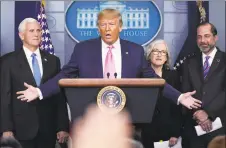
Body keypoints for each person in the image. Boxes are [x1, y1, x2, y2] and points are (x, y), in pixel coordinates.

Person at [16, 9, 201, 111]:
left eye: (111, 24)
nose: (107, 28)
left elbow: (154, 80)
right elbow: (63, 76)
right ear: (97, 28)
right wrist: (39, 92)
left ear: (120, 27)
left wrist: (178, 96)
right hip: (92, 118)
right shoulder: (83, 49)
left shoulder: (135, 51)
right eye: (103, 25)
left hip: (127, 117)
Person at [0, 18, 70, 148]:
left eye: (38, 30)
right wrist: (6, 128)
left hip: (48, 130)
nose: (36, 34)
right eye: (31, 31)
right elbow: (4, 97)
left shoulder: (53, 61)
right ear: (21, 35)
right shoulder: (7, 61)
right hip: (20, 131)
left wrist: (62, 126)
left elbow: (59, 97)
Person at [181, 22, 225, 148]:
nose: (203, 40)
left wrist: (208, 113)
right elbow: (185, 91)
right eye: (199, 37)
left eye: (207, 36)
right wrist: (198, 112)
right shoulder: (189, 62)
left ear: (215, 38)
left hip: (220, 129)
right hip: (194, 129)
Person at [141, 39, 182, 148]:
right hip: (146, 131)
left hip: (168, 132)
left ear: (166, 57)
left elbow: (177, 107)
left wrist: (175, 133)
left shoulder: (173, 76)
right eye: (156, 51)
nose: (159, 55)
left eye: (163, 52)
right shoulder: (140, 76)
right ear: (149, 54)